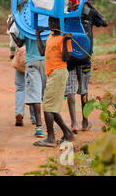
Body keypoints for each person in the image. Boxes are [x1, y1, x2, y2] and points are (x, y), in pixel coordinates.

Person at [64, 0, 108, 133]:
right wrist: (91, 5)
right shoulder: (90, 13)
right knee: (84, 90)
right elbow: (105, 22)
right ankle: (85, 121)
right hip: (85, 58)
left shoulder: (66, 14)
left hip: (70, 58)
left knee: (70, 89)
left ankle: (73, 124)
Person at [34, 17, 75, 147]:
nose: (50, 24)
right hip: (53, 73)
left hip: (59, 72)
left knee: (47, 106)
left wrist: (66, 41)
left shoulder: (64, 37)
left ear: (60, 22)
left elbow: (65, 58)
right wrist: (38, 36)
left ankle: (51, 138)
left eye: (54, 22)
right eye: (49, 21)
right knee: (52, 107)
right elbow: (42, 52)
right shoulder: (51, 35)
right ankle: (67, 133)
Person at [10, 19, 47, 137]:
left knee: (34, 95)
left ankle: (39, 126)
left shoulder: (27, 23)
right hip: (47, 61)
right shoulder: (50, 22)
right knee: (46, 95)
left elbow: (20, 43)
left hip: (31, 61)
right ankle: (51, 125)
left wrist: (11, 31)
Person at [6, 14, 36, 126]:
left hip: (20, 57)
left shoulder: (13, 19)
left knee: (20, 87)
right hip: (34, 56)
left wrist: (12, 55)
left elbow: (13, 43)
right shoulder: (34, 16)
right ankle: (34, 118)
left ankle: (19, 112)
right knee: (33, 87)